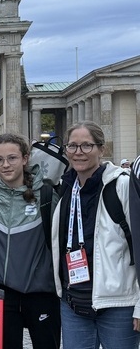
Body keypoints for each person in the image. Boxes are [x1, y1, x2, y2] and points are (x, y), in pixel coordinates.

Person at [0, 133, 61, 348]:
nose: (5, 165)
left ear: (25, 158)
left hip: (41, 290)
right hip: (1, 290)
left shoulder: (46, 193)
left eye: (12, 158)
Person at [52, 121, 140, 348]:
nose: (78, 152)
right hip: (73, 302)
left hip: (117, 304)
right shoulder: (65, 188)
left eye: (86, 145)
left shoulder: (121, 186)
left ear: (101, 149)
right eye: (72, 146)